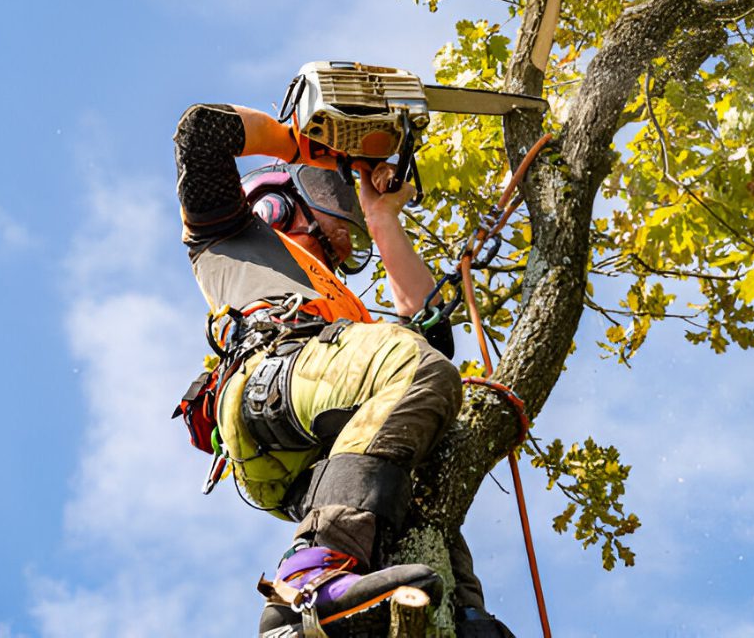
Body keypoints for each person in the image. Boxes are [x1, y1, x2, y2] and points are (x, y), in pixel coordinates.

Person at [172, 102, 513, 637]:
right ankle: (305, 583)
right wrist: (310, 145)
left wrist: (384, 220)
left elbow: (432, 338)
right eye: (338, 204)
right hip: (273, 383)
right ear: (281, 204)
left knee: (430, 461)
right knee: (414, 369)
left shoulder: (341, 308)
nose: (349, 228)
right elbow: (202, 132)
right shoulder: (232, 239)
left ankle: (462, 619)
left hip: (308, 452)